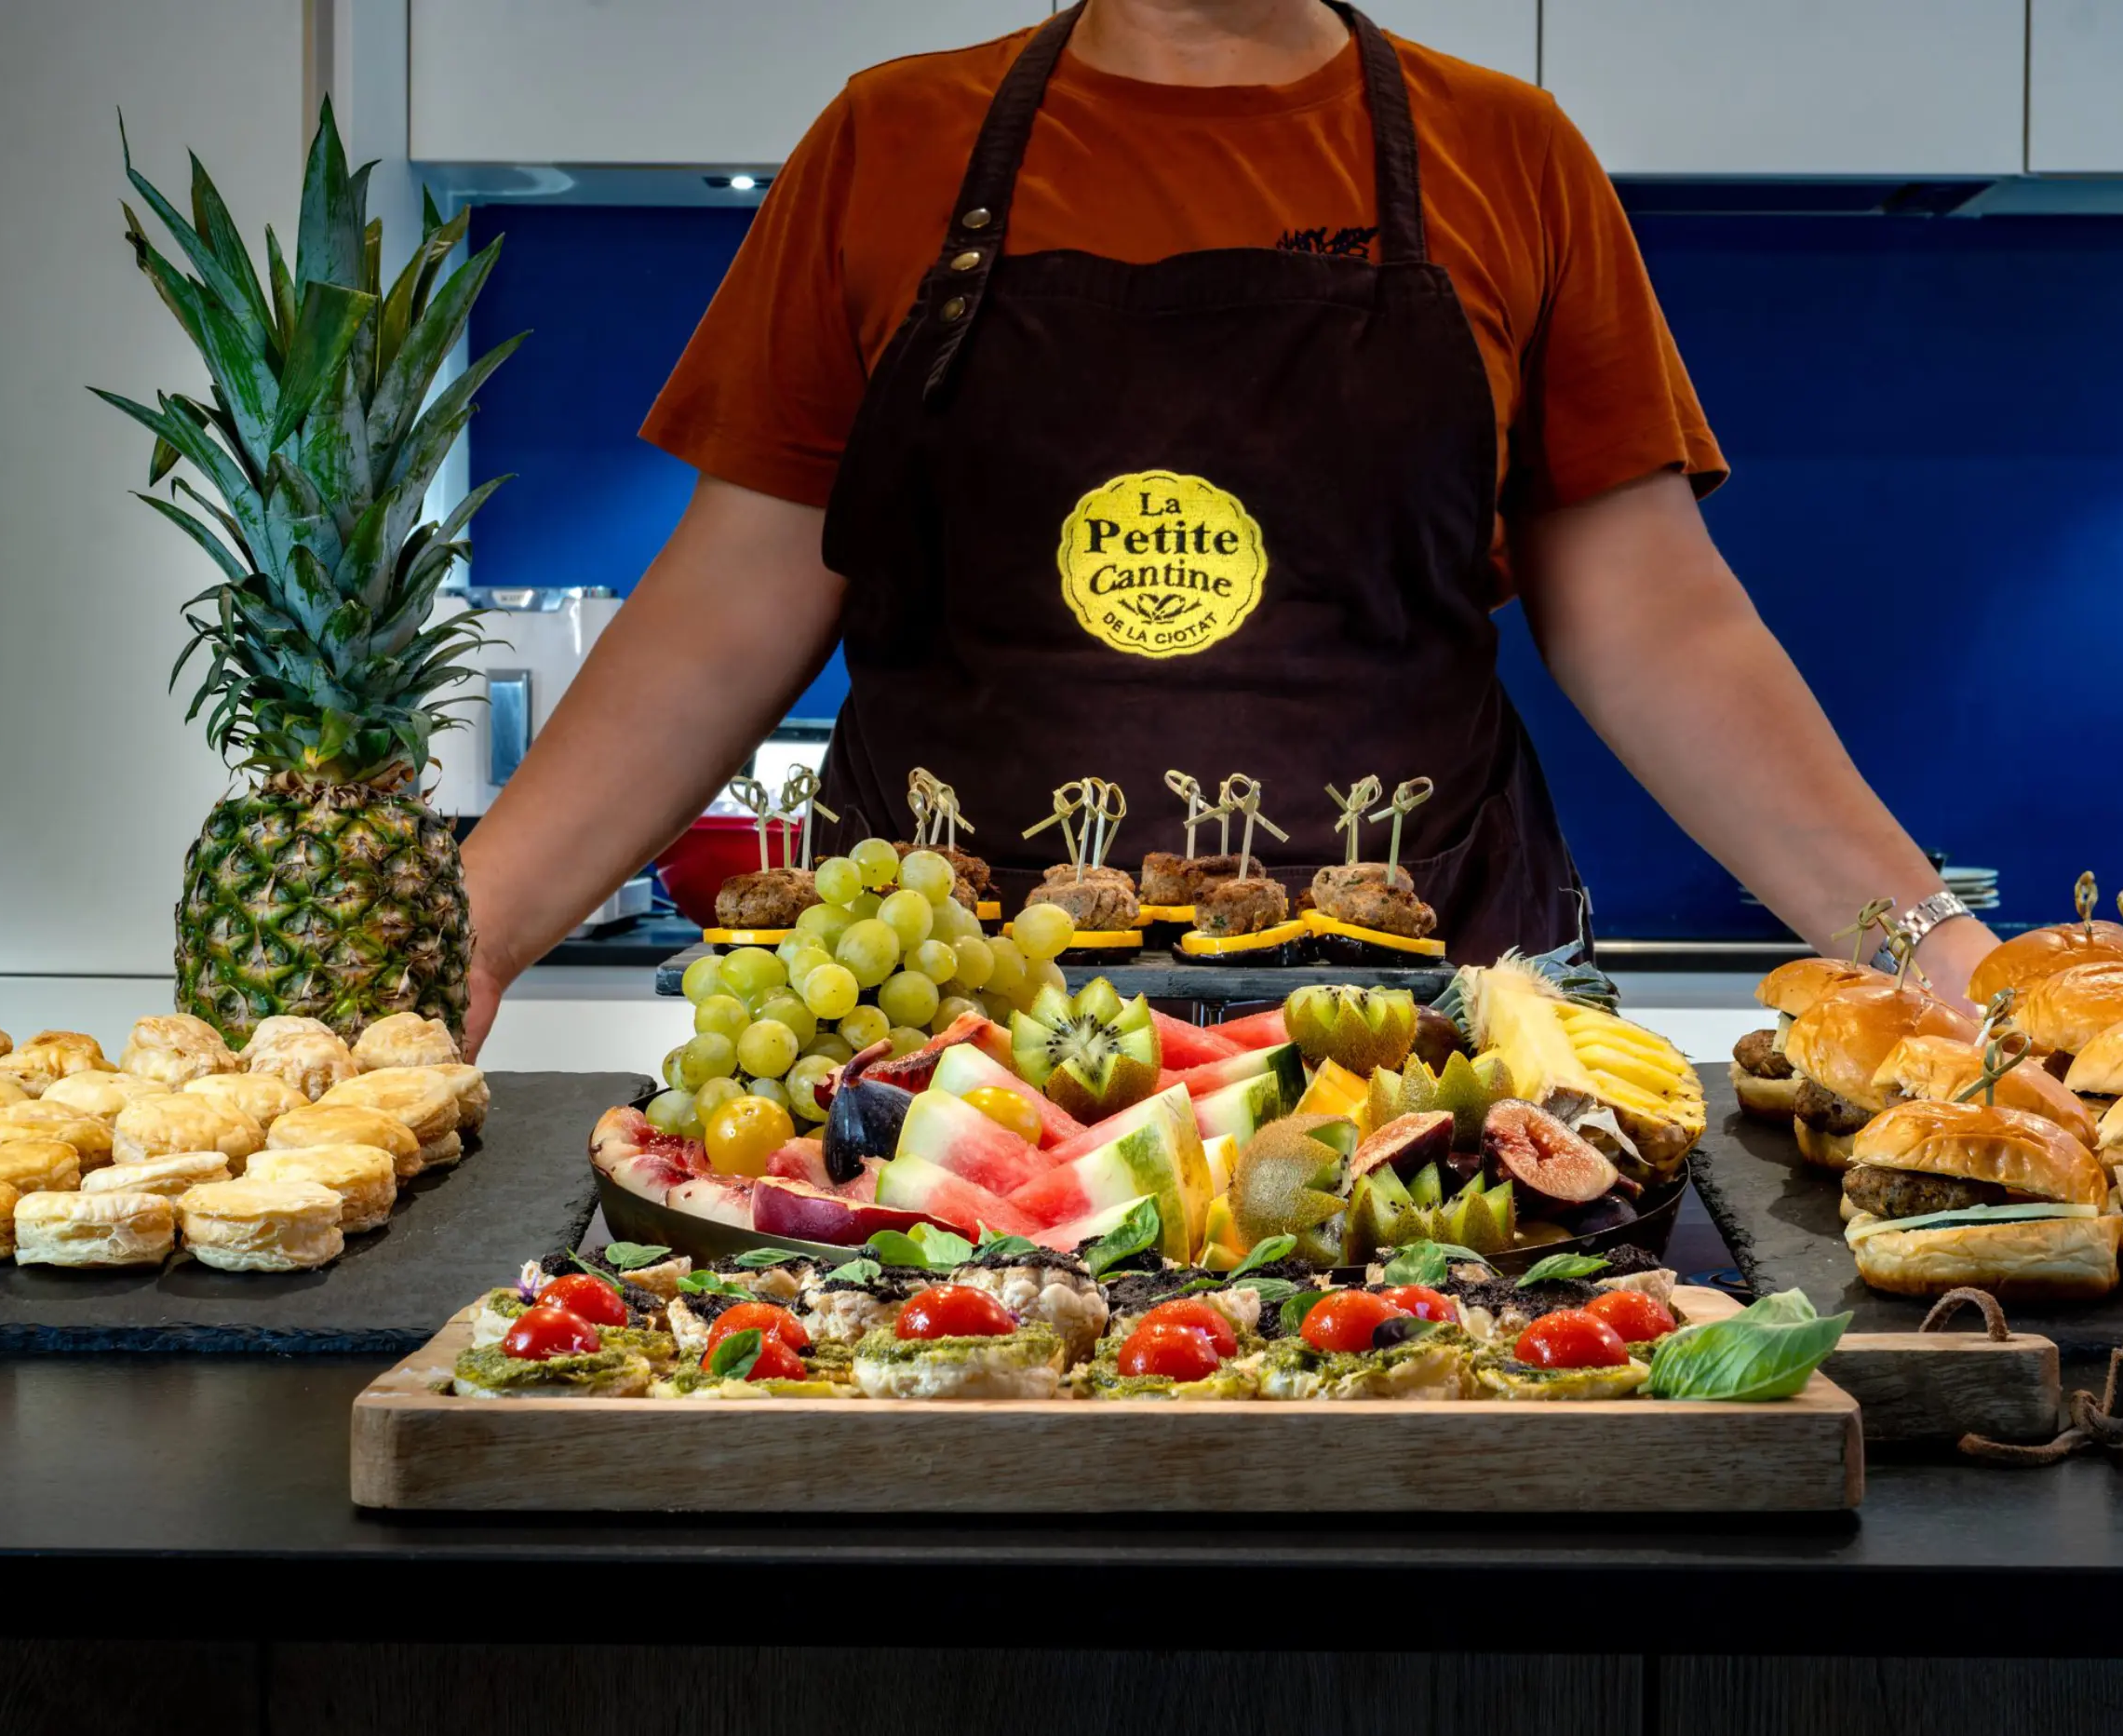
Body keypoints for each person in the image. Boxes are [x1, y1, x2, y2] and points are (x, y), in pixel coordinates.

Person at [458, 0, 1995, 1056]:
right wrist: (474, 933)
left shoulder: (1508, 150)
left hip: (1425, 1021)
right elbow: (726, 611)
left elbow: (1659, 625)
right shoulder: (886, 140)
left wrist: (1922, 939)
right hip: (939, 1032)